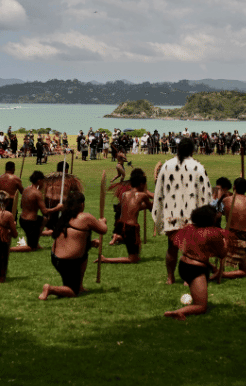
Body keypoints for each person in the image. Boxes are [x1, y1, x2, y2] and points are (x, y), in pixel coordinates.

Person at [152, 137, 212, 284]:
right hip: (192, 214)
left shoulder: (167, 166)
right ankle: (187, 279)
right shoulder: (197, 167)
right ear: (192, 150)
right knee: (190, 248)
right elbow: (205, 192)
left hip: (171, 213)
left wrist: (159, 211)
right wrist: (206, 213)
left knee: (171, 247)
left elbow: (158, 190)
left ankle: (170, 277)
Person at [163, 205, 227, 321]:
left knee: (200, 298)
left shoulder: (189, 229)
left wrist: (211, 267)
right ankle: (177, 312)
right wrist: (224, 242)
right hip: (195, 270)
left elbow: (199, 252)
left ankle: (192, 300)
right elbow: (222, 254)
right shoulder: (212, 233)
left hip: (184, 265)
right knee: (201, 307)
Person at [39, 192, 107, 300]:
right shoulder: (85, 217)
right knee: (72, 291)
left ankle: (79, 286)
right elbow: (103, 230)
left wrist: (89, 243)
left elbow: (70, 239)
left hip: (55, 258)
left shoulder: (64, 216)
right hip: (68, 262)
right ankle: (50, 289)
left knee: (85, 252)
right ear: (81, 205)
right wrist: (102, 221)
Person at [97, 168, 152, 264]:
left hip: (121, 226)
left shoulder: (124, 195)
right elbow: (151, 208)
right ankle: (105, 259)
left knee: (137, 252)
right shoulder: (142, 195)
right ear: (141, 184)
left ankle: (118, 237)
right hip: (131, 228)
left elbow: (133, 208)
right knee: (133, 259)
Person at [10, 171, 62, 252]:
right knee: (31, 248)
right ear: (39, 181)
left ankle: (36, 242)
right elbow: (45, 211)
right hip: (30, 223)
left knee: (43, 220)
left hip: (22, 220)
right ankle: (8, 249)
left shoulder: (26, 189)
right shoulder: (37, 193)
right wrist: (57, 208)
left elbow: (21, 206)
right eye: (43, 181)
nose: (43, 184)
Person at [220, 178, 246, 279]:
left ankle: (220, 273)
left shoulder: (225, 200)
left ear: (234, 187)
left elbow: (222, 213)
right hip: (244, 237)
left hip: (229, 235)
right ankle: (222, 274)